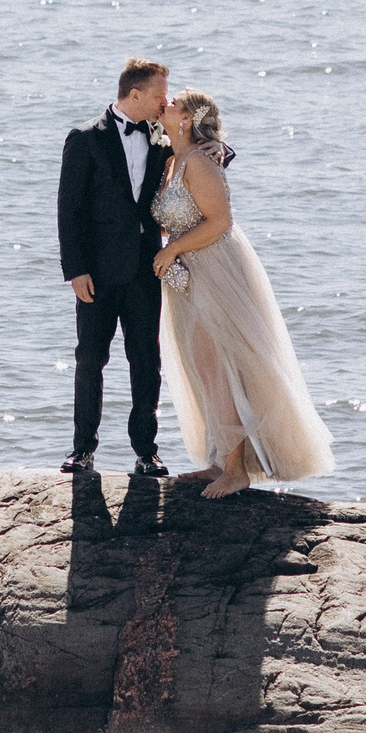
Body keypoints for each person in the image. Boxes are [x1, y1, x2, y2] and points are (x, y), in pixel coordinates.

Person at [150, 89, 334, 498]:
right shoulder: (170, 159)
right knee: (201, 365)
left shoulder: (200, 163)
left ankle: (237, 470)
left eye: (175, 101)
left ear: (188, 118)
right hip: (185, 278)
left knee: (222, 363)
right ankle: (219, 460)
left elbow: (220, 221)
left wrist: (172, 248)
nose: (166, 102)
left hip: (214, 269)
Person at [55, 59, 173, 476]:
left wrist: (218, 149)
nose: (167, 100)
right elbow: (69, 210)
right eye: (161, 94)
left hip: (145, 268)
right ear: (135, 94)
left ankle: (147, 451)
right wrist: (76, 270)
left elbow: (204, 159)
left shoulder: (163, 138)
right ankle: (82, 449)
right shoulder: (85, 138)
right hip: (98, 273)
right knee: (91, 358)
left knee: (146, 361)